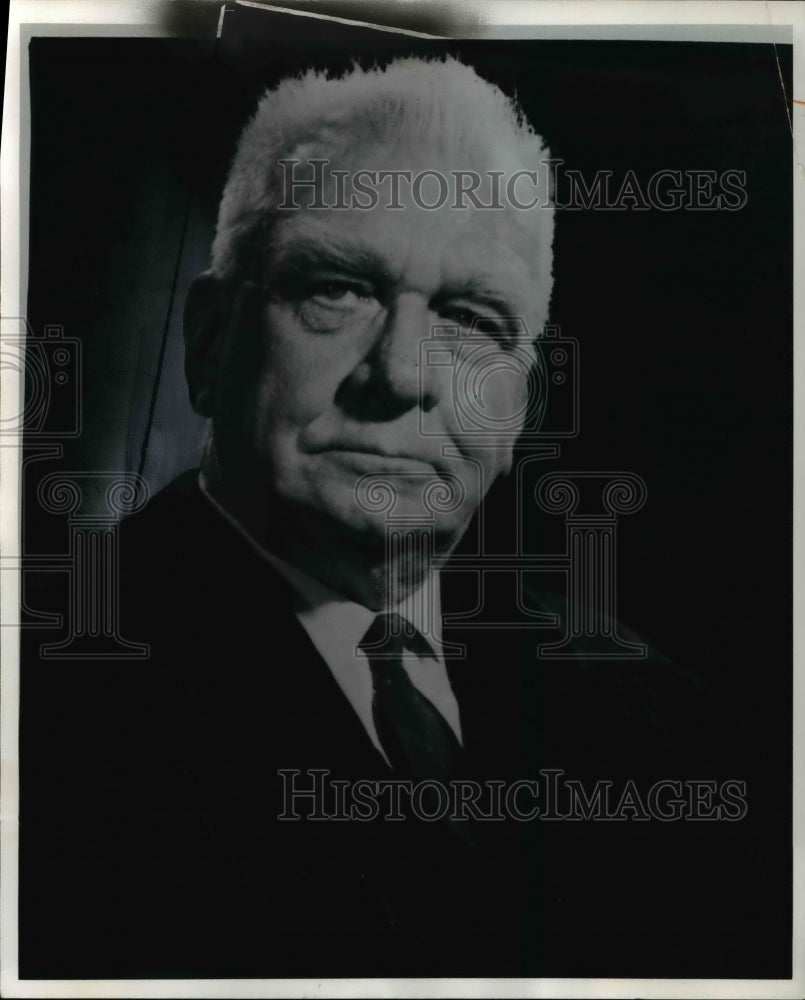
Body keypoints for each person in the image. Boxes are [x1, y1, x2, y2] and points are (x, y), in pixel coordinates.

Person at [20, 56, 759, 980]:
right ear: (210, 342)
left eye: (471, 318)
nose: (403, 373)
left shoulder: (663, 720)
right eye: (337, 289)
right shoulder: (42, 696)